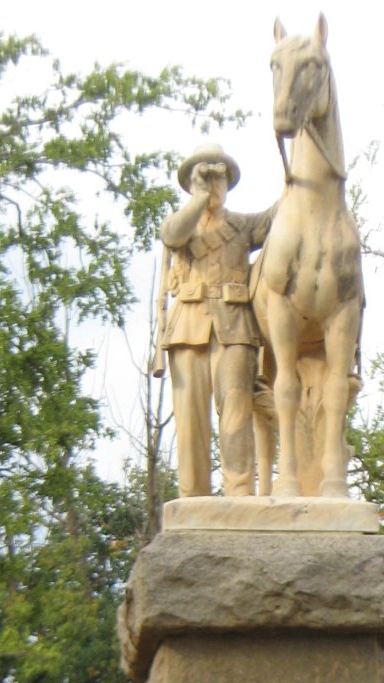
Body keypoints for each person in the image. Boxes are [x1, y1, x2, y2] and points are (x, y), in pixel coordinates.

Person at [160, 143, 272, 497]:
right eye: (206, 176)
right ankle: (193, 499)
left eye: (220, 176)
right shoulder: (180, 224)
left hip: (234, 327)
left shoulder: (243, 225)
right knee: (190, 420)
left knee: (237, 414)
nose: (213, 183)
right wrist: (198, 196)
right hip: (187, 327)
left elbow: (283, 213)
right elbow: (172, 236)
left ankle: (239, 495)